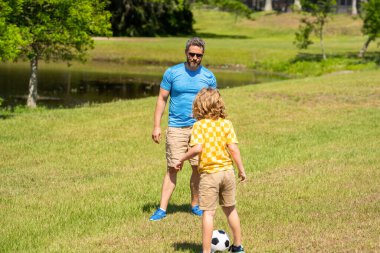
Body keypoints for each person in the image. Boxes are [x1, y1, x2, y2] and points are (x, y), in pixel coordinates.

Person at [150, 37, 217, 221]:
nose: (195, 58)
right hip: (176, 128)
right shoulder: (172, 73)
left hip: (200, 129)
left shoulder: (208, 76)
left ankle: (195, 205)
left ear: (202, 56)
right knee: (173, 167)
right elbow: (162, 99)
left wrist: (215, 128)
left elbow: (214, 103)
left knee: (197, 168)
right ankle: (162, 209)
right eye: (192, 54)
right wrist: (156, 126)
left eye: (199, 55)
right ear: (186, 53)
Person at [175, 88, 247, 253]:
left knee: (208, 213)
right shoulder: (226, 124)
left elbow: (197, 149)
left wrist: (182, 157)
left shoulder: (199, 126)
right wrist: (241, 170)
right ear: (219, 104)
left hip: (210, 174)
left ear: (199, 106)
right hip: (227, 172)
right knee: (230, 209)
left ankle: (206, 251)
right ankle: (238, 246)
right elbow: (234, 149)